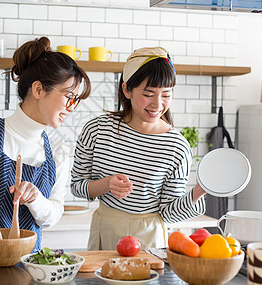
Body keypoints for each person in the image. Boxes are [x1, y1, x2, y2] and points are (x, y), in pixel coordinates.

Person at [0, 37, 91, 254]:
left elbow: (52, 216)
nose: (72, 107)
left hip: (28, 263)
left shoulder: (58, 149)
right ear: (39, 90)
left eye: (76, 100)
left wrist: (36, 199)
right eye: (68, 96)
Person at [70, 47, 206, 250]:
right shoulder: (97, 130)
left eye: (166, 95)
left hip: (149, 240)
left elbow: (169, 214)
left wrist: (200, 191)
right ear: (126, 90)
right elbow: (77, 186)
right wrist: (107, 184)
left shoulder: (177, 147)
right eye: (148, 94)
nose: (158, 104)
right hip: (104, 233)